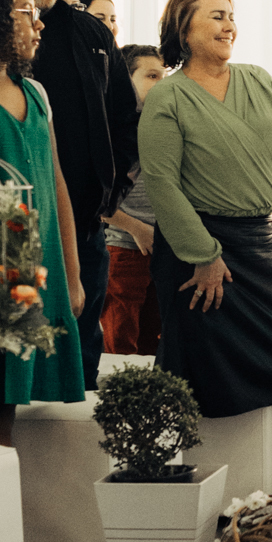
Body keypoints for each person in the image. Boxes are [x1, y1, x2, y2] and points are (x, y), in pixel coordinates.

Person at [138, 0, 272, 488]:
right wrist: (203, 254)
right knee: (189, 367)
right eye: (216, 16)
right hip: (195, 248)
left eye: (232, 16)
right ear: (184, 28)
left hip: (265, 247)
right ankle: (171, 486)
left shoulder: (259, 81)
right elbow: (162, 183)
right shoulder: (167, 97)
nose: (229, 26)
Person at [0, 0, 137, 390]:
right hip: (11, 246)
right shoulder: (11, 72)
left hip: (74, 233)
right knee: (9, 376)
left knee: (71, 370)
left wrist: (109, 198)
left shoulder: (90, 36)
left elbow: (122, 121)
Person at [0, 0, 85, 445]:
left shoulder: (36, 93)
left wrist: (71, 272)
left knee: (5, 401)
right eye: (26, 12)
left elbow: (56, 186)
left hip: (30, 271)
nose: (39, 23)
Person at [102, 45, 166, 355]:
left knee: (154, 343)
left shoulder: (162, 125)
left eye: (164, 76)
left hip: (163, 249)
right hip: (124, 249)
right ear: (126, 79)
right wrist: (136, 229)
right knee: (120, 343)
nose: (161, 83)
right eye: (151, 75)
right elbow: (94, 197)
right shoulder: (113, 128)